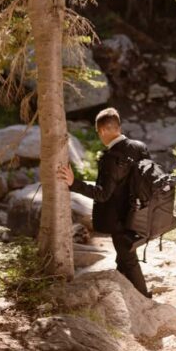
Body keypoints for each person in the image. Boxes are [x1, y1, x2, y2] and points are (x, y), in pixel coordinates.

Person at [57, 107, 151, 297]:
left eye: (98, 133)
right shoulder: (140, 147)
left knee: (128, 259)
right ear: (118, 126)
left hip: (120, 220)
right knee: (124, 257)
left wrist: (74, 183)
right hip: (139, 213)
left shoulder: (111, 158)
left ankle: (144, 297)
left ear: (103, 130)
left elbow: (102, 194)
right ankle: (125, 292)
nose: (99, 136)